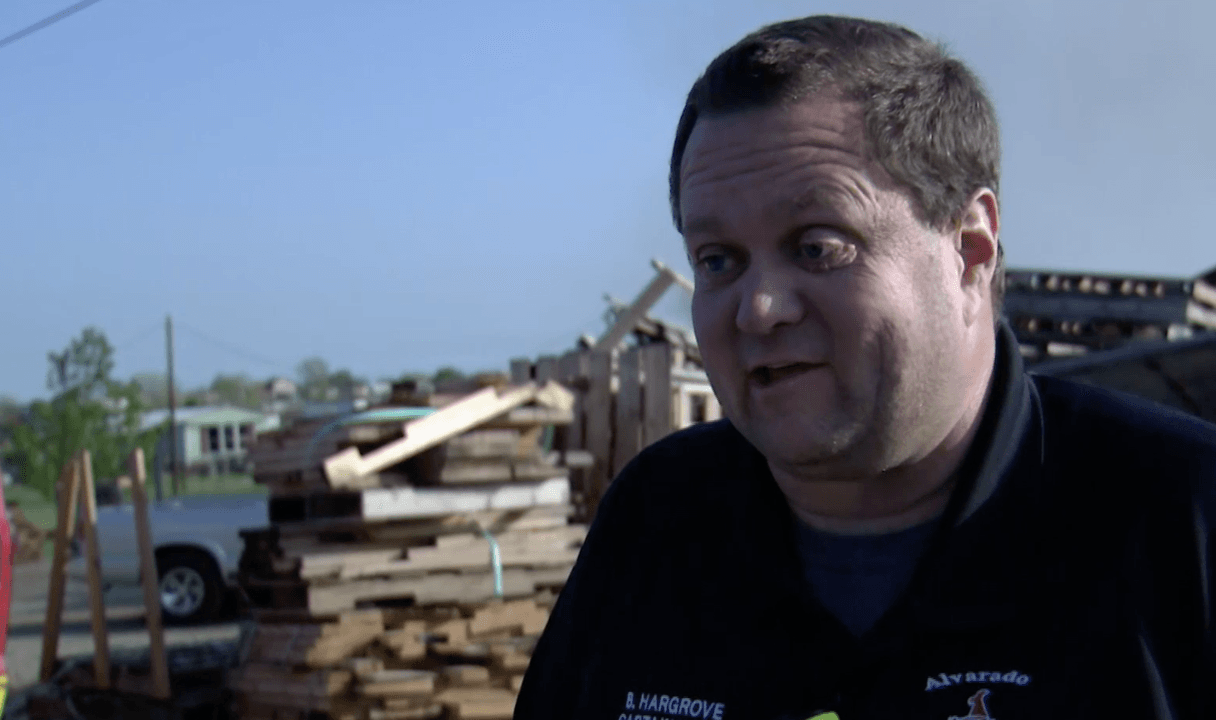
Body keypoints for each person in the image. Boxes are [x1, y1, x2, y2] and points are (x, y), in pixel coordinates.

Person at [514, 15, 1216, 720]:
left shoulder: (1180, 522)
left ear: (971, 251)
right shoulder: (654, 527)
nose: (757, 309)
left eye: (818, 247)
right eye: (718, 260)